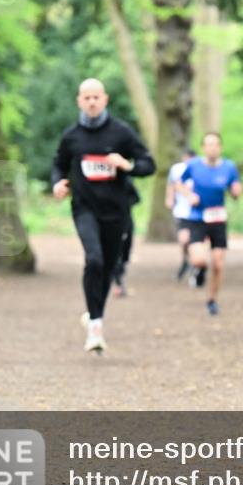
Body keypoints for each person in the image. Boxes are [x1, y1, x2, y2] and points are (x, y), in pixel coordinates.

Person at [52, 78, 155, 353]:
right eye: (86, 98)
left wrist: (127, 165)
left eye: (96, 97)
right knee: (94, 259)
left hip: (116, 211)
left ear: (105, 99)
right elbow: (58, 165)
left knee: (109, 267)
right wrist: (58, 183)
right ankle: (96, 326)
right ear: (79, 101)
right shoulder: (71, 136)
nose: (92, 102)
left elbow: (148, 164)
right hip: (84, 208)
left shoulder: (121, 133)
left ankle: (94, 314)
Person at [177, 133, 242, 315]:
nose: (212, 148)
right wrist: (189, 195)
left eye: (215, 144)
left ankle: (212, 300)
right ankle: (199, 269)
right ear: (203, 148)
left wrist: (236, 191)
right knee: (198, 259)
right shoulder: (194, 165)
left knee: (218, 264)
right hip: (197, 218)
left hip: (218, 219)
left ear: (220, 147)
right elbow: (179, 184)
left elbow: (235, 188)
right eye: (208, 144)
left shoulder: (229, 167)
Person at [165, 149, 197, 282]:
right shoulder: (177, 169)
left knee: (196, 240)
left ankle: (196, 264)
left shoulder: (199, 168)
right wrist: (169, 198)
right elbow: (171, 184)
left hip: (197, 211)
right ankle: (186, 261)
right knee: (184, 240)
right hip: (182, 211)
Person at [111, 177, 140, 298]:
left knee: (125, 251)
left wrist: (123, 203)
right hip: (108, 222)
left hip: (125, 221)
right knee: (113, 252)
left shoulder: (126, 180)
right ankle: (117, 282)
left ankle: (119, 276)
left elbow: (136, 198)